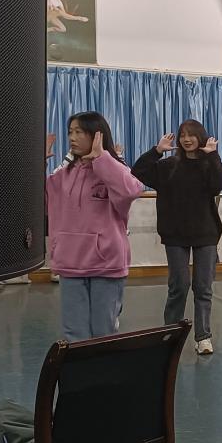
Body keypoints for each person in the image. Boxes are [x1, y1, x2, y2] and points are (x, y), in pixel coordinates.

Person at [132, 120, 222, 355]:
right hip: (175, 233)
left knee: (203, 287)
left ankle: (203, 337)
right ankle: (170, 335)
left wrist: (212, 156)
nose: (186, 139)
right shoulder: (168, 166)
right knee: (179, 285)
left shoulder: (208, 165)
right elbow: (138, 171)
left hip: (206, 233)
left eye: (191, 135)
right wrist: (157, 151)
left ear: (200, 137)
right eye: (183, 135)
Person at [45, 111, 144, 341]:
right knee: (74, 334)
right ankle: (80, 367)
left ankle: (104, 367)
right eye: (70, 132)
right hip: (70, 263)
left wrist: (102, 159)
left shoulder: (113, 169)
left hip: (106, 263)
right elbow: (37, 199)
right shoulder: (64, 174)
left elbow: (132, 190)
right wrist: (38, 161)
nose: (72, 137)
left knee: (103, 332)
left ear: (96, 135)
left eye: (79, 132)